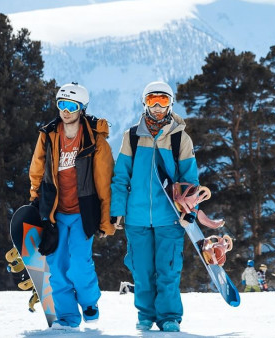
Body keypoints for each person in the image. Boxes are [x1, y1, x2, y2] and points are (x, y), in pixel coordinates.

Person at [110, 81, 199, 332]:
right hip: (136, 217)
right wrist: (118, 210)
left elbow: (190, 180)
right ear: (144, 103)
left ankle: (169, 316)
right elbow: (121, 177)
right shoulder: (133, 136)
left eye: (162, 101)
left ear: (170, 104)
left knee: (168, 269)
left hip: (169, 217)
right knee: (141, 270)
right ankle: (146, 315)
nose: (157, 107)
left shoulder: (180, 137)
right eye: (152, 101)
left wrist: (187, 211)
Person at [29, 82, 115, 329]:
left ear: (82, 108)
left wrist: (106, 219)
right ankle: (67, 317)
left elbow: (104, 180)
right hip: (55, 211)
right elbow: (37, 169)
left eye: (71, 106)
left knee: (79, 263)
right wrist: (36, 200)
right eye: (61, 105)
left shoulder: (94, 139)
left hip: (82, 211)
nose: (65, 111)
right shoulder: (48, 134)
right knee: (57, 266)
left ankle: (89, 302)